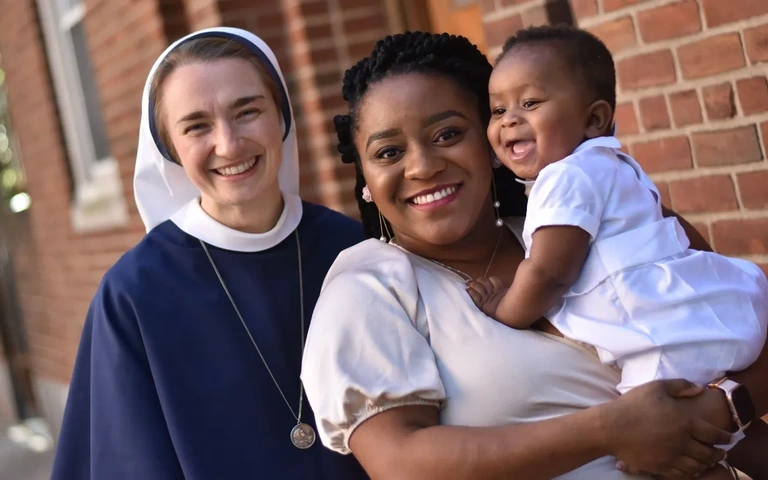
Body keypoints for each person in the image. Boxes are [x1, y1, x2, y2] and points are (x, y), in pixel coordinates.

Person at [301, 31, 768, 479]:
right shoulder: (368, 288)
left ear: (492, 141)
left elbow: (745, 325)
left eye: (447, 134)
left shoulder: (588, 220)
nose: (422, 165)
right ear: (364, 177)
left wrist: (722, 407)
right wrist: (609, 430)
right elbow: (401, 463)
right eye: (388, 152)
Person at [50, 27, 367, 480]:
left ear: (281, 116)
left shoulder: (351, 250)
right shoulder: (135, 293)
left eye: (247, 111)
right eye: (197, 126)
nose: (229, 144)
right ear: (169, 147)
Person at [466, 24, 768, 479]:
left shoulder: (563, 178)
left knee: (666, 442)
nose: (509, 120)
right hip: (699, 314)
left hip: (659, 340)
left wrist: (504, 310)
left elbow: (549, 272)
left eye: (529, 103)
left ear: (593, 118)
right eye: (497, 109)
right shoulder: (614, 164)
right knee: (734, 437)